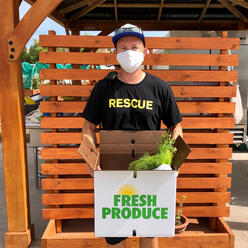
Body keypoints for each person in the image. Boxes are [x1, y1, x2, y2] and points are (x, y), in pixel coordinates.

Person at [80, 24, 183, 248]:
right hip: (112, 170)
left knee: (148, 230)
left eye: (135, 46)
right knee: (116, 234)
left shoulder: (160, 87)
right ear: (116, 53)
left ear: (145, 51)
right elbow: (88, 127)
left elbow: (176, 127)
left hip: (151, 170)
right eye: (123, 47)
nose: (129, 52)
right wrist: (91, 157)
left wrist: (171, 157)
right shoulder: (103, 88)